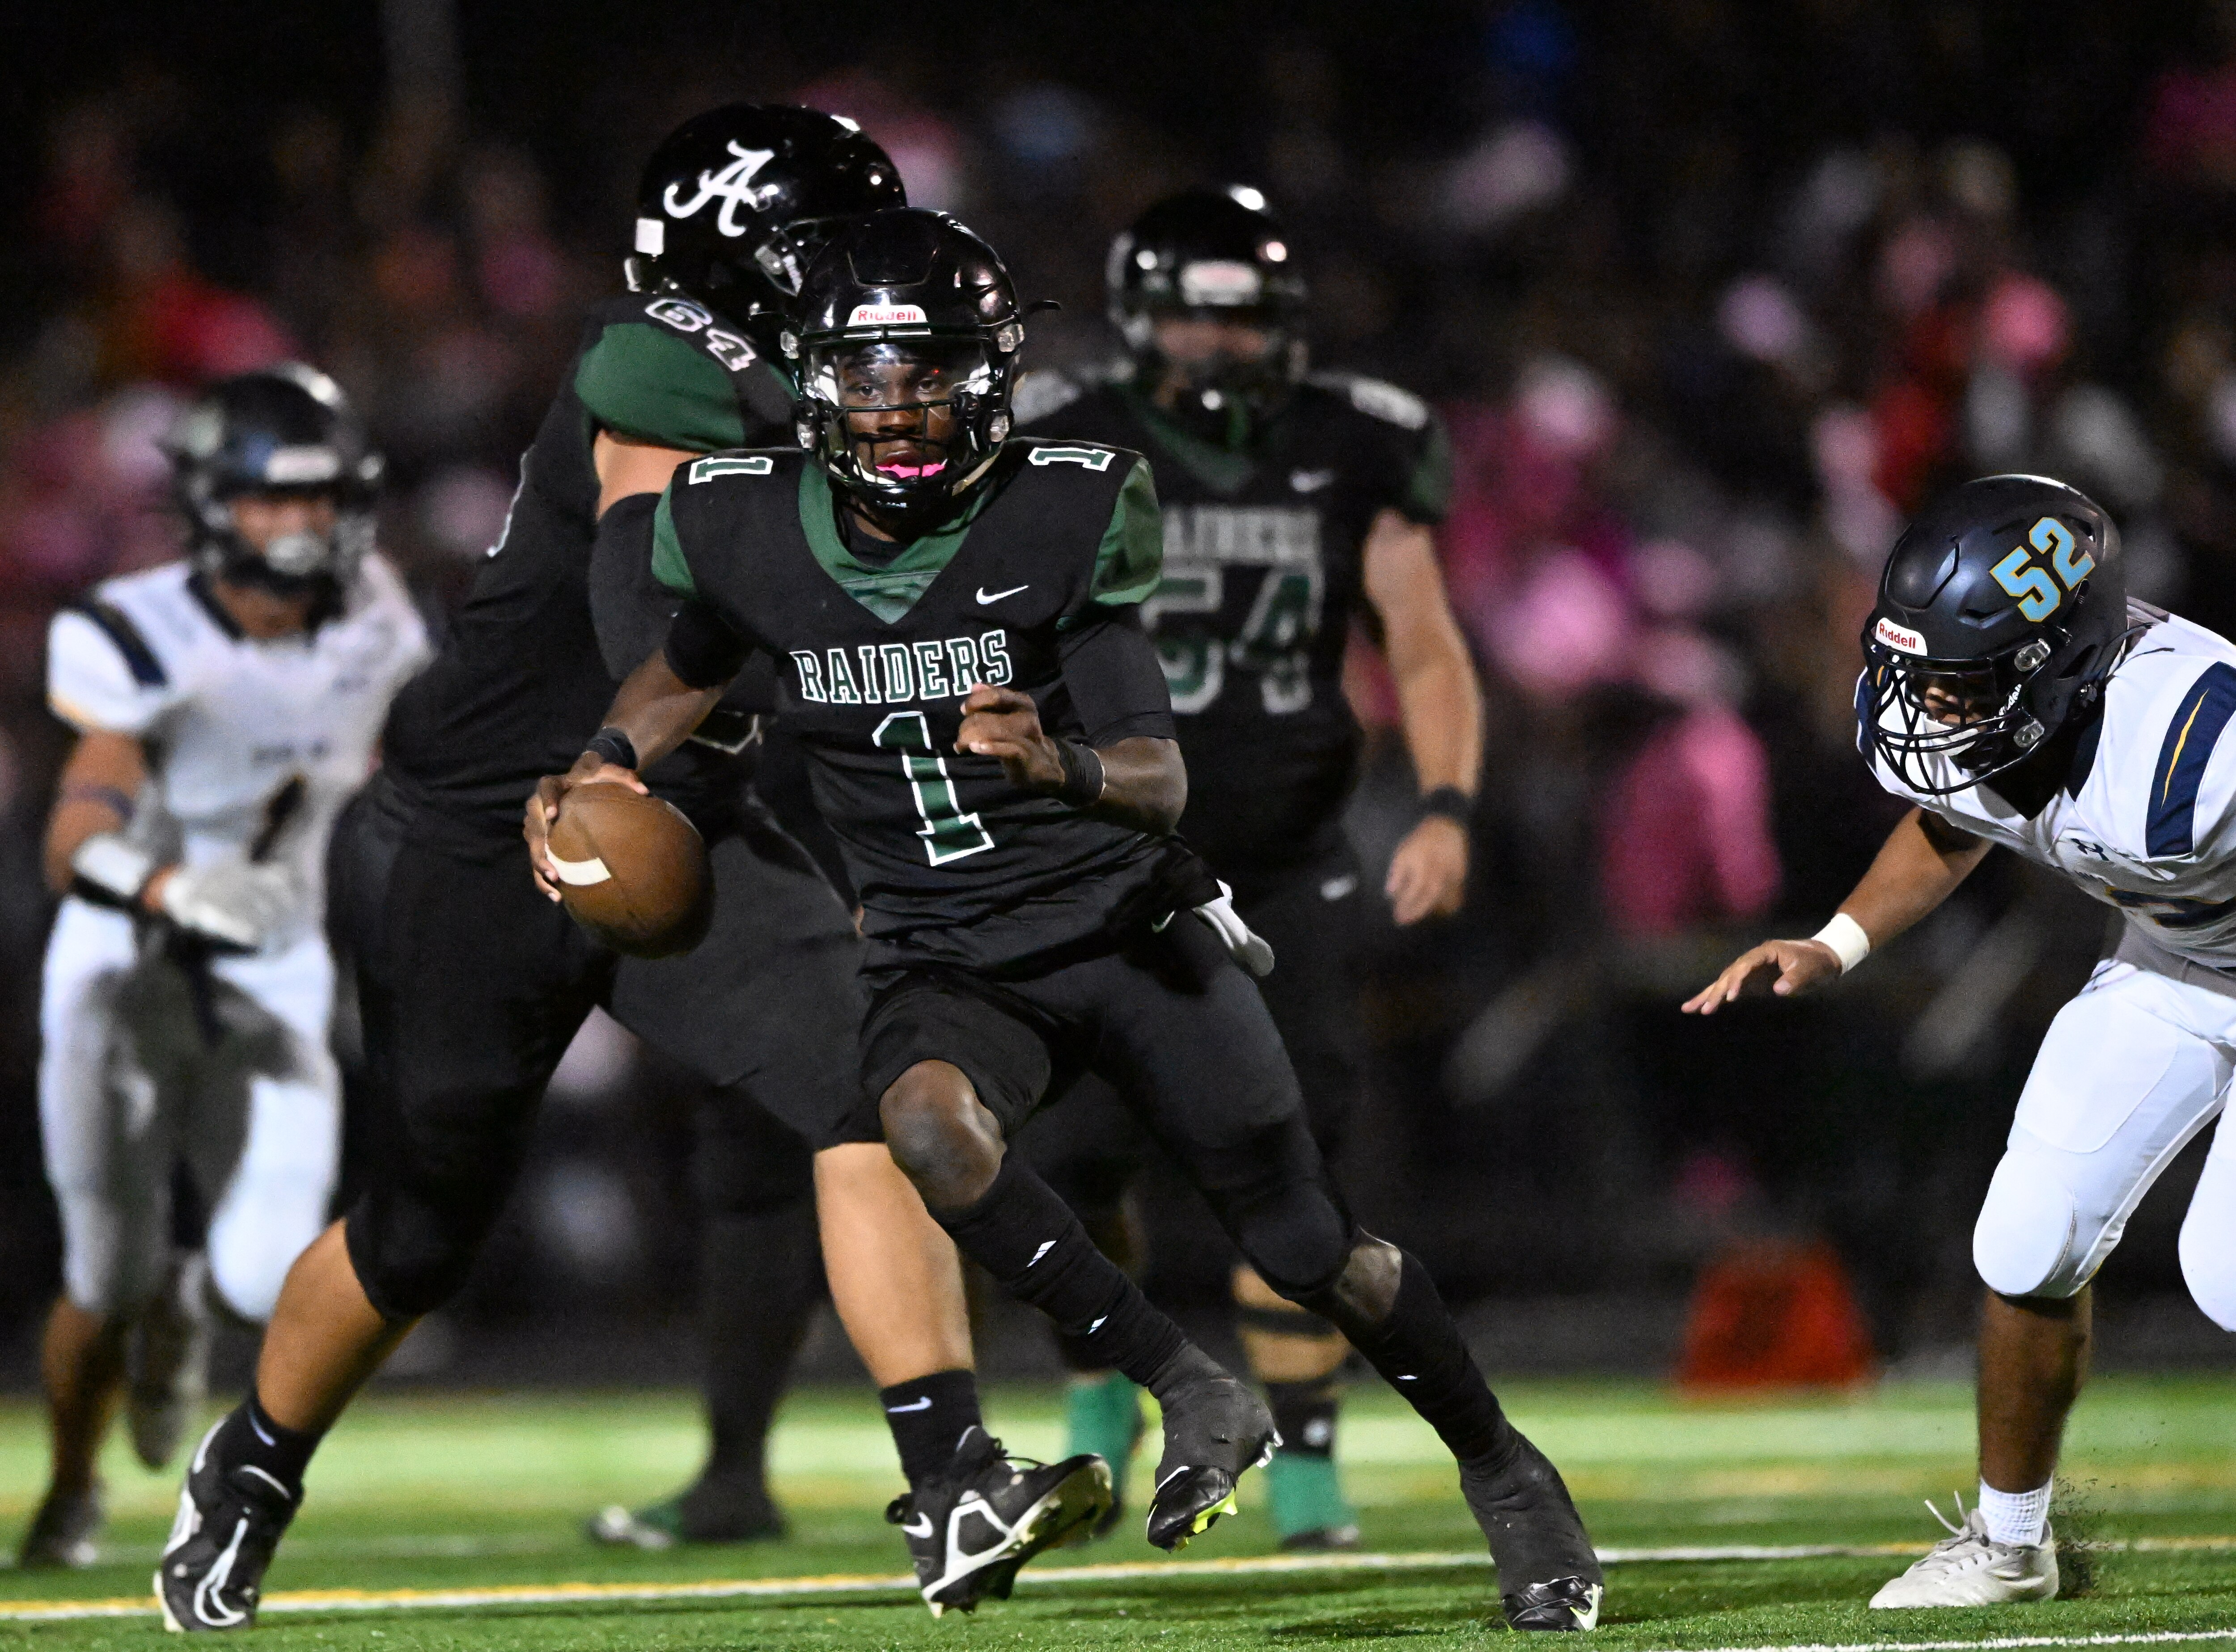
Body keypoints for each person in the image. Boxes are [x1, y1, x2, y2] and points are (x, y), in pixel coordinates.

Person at [537, 206, 1604, 1632]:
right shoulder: (734, 517)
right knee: (920, 1122)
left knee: (1307, 1243)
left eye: (932, 369)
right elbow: (684, 665)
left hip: (1117, 918)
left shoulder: (1064, 502)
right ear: (815, 382)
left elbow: (1159, 773)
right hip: (938, 939)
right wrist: (608, 761)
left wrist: (1065, 762)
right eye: (870, 372)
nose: (902, 404)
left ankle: (1504, 1463)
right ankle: (1185, 1380)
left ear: (991, 374)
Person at [157, 110, 1104, 1633]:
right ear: (743, 262)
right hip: (489, 834)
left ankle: (952, 1478)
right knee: (419, 1231)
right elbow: (642, 624)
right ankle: (252, 1471)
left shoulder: (835, 390)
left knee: (881, 1079)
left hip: (684, 816)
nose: (865, 284)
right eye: (828, 251)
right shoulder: (657, 367)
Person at [1013, 185, 1481, 1548]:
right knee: (1075, 1151)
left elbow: (1427, 638)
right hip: (1094, 852)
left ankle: (1309, 1456)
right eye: (1193, 314)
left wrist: (1447, 803)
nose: (1219, 342)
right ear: (1140, 316)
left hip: (1282, 857)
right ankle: (1102, 1375)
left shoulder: (1357, 440)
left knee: (1300, 1164)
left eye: (1243, 316)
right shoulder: (1059, 436)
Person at [1685, 473, 2236, 1607]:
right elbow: (1953, 820)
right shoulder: (2011, 715)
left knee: (2226, 1269)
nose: (1925, 706)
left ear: (2059, 664)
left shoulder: (2200, 741)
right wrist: (1837, 942)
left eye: (1956, 682)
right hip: (2175, 965)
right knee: (2028, 1234)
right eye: (1916, 673)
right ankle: (2009, 1544)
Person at [20, 366, 429, 1568]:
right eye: (277, 500)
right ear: (211, 504)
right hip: (123, 957)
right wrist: (166, 884)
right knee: (104, 1264)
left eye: (325, 496)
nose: (307, 523)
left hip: (282, 955)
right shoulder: (134, 627)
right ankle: (70, 1483)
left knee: (262, 1271)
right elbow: (70, 834)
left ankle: (183, 1301)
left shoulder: (381, 616)